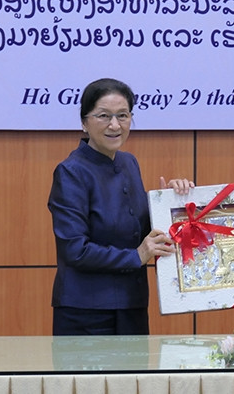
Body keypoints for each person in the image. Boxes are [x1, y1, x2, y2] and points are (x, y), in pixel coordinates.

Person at [48, 77, 193, 335]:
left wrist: (172, 204)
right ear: (84, 122)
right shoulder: (70, 172)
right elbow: (75, 250)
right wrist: (136, 256)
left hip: (132, 305)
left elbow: (140, 231)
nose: (115, 125)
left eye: (123, 116)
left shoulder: (129, 163)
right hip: (86, 312)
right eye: (104, 116)